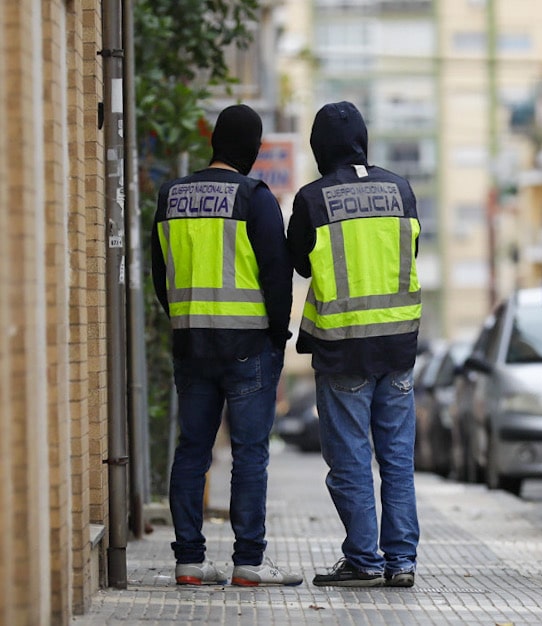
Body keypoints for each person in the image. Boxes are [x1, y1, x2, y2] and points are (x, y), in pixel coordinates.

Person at [151, 103, 302, 587]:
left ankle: (189, 561)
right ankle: (249, 562)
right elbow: (277, 278)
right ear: (252, 149)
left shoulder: (170, 196)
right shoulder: (254, 198)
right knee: (249, 453)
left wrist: (183, 318)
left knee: (192, 450)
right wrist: (277, 337)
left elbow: (160, 275)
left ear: (215, 142)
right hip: (248, 346)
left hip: (191, 343)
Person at [287, 101, 421, 588]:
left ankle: (364, 559)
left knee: (350, 461)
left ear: (319, 147)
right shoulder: (401, 190)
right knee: (397, 460)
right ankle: (402, 561)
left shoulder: (312, 199)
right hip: (398, 348)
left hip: (344, 350)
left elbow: (300, 264)